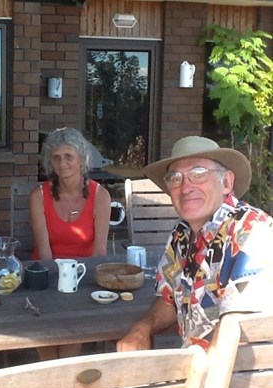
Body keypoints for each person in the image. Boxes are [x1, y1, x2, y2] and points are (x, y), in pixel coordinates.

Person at [117, 136, 273, 352]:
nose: (185, 187)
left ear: (226, 182)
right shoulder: (181, 235)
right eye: (175, 178)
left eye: (198, 174)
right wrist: (142, 328)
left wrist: (199, 384)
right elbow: (168, 298)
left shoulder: (250, 231)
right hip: (198, 371)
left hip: (241, 379)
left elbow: (238, 330)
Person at [29, 127, 111, 359]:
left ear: (82, 159)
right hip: (47, 278)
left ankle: (65, 382)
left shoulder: (100, 195)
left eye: (68, 156)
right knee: (48, 328)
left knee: (71, 330)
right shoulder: (39, 196)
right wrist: (59, 287)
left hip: (84, 280)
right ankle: (50, 380)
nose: (62, 163)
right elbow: (43, 251)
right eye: (56, 157)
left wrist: (76, 288)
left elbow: (99, 253)